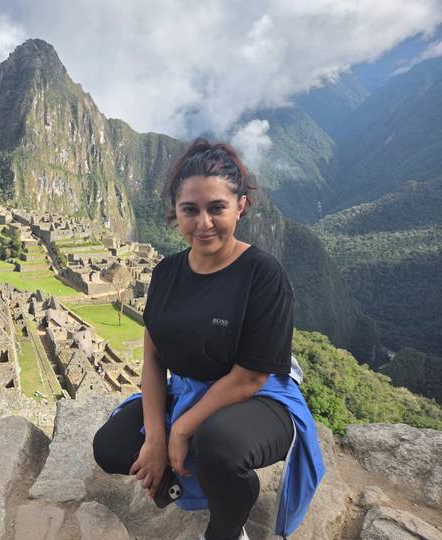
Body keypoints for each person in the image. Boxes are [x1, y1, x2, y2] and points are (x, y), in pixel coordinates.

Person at [92, 139, 324, 540]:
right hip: (186, 389)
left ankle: (228, 524)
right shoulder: (166, 273)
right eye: (190, 210)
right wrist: (157, 437)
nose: (204, 223)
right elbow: (153, 358)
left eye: (216, 207)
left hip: (259, 397)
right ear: (175, 213)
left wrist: (179, 430)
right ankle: (183, 481)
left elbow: (250, 377)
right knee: (111, 447)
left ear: (241, 207)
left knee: (217, 443)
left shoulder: (263, 275)